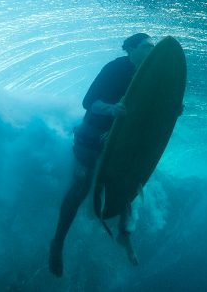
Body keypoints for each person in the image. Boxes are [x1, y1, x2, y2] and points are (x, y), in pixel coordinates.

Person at [48, 33, 155, 278]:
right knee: (82, 186)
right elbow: (88, 102)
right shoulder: (115, 68)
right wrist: (111, 109)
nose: (152, 50)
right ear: (130, 49)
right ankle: (58, 243)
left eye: (153, 46)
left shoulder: (148, 73)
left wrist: (171, 110)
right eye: (146, 46)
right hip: (92, 134)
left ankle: (124, 235)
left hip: (118, 139)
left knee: (128, 184)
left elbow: (153, 107)